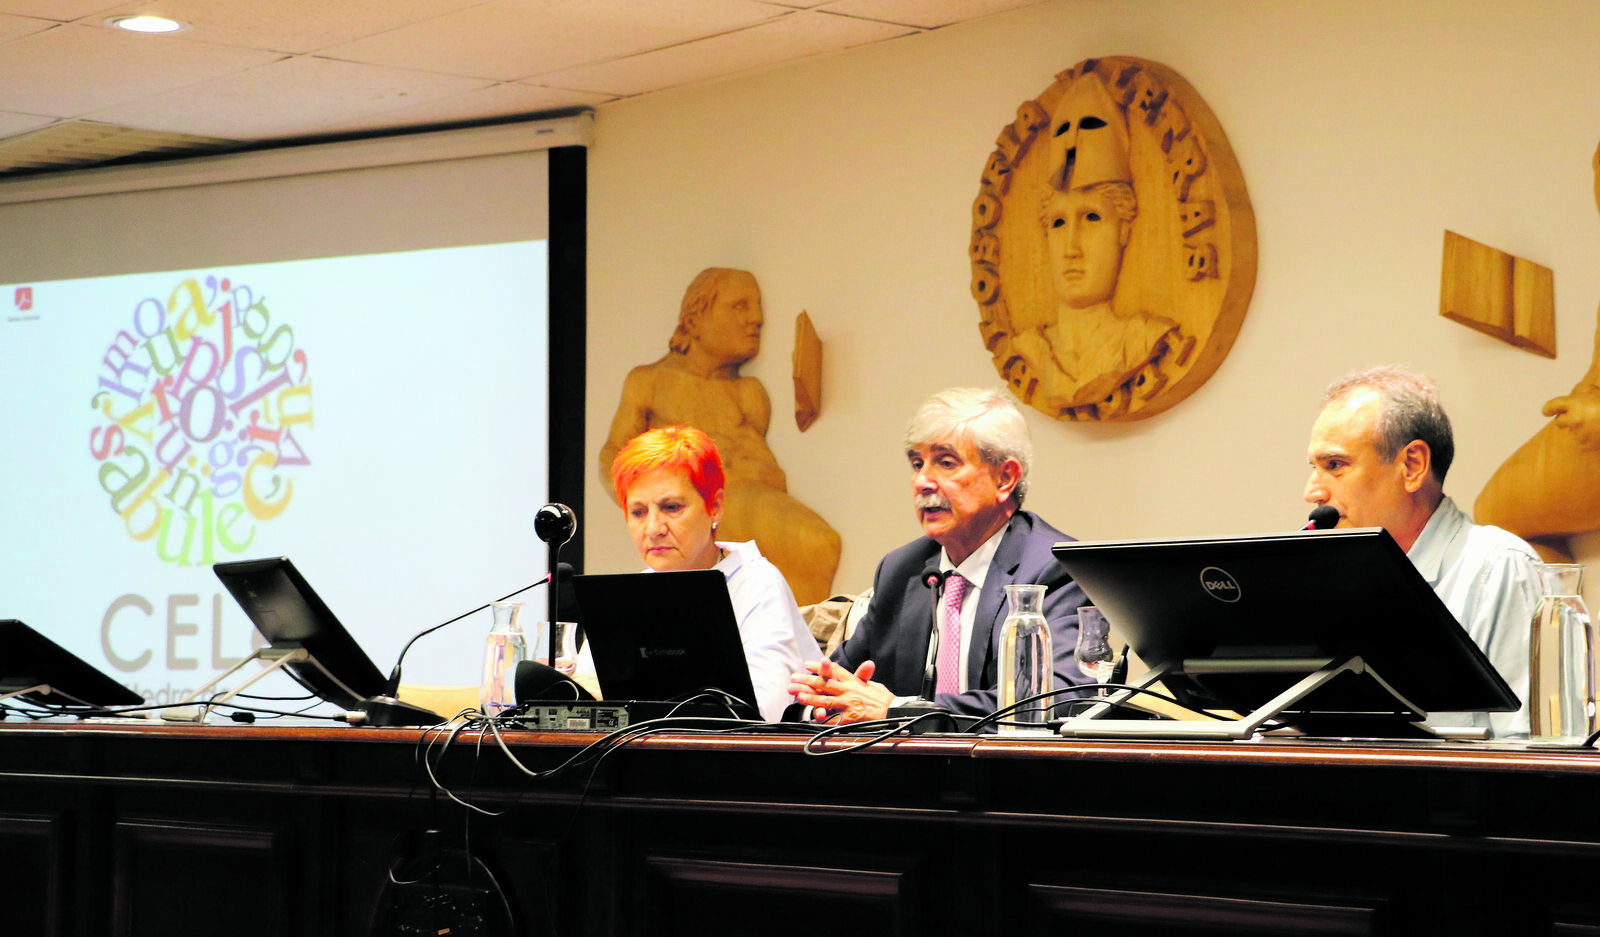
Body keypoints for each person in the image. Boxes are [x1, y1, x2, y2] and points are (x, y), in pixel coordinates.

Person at [788, 387, 1088, 723]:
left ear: (1005, 478)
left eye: (946, 463)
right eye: (917, 464)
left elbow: (1052, 698)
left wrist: (898, 713)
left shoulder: (1056, 568)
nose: (922, 481)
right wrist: (821, 704)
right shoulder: (901, 571)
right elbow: (840, 682)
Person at [1303, 366, 1541, 738]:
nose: (1313, 492)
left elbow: (1532, 756)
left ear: (1412, 466)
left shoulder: (1499, 568)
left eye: (1335, 465)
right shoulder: (1322, 579)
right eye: (1314, 468)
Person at [599, 268, 841, 605]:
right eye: (740, 306)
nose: (756, 319)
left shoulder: (749, 392)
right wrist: (651, 505)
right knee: (818, 541)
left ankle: (801, 634)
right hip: (723, 505)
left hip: (752, 501)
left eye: (755, 308)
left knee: (819, 543)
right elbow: (613, 453)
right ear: (695, 317)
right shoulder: (651, 381)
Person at [576, 425, 821, 722]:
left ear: (715, 506)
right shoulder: (628, 594)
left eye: (671, 507)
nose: (653, 528)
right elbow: (583, 699)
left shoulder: (757, 582)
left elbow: (762, 710)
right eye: (638, 512)